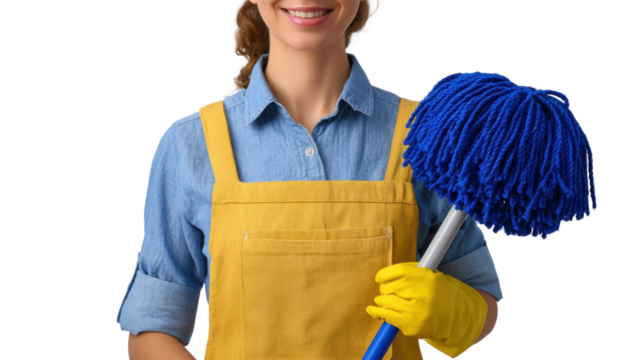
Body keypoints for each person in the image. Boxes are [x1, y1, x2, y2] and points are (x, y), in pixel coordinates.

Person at [117, 1, 502, 359]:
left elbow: (484, 302)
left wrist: (452, 311)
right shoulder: (192, 143)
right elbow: (153, 329)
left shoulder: (424, 137)